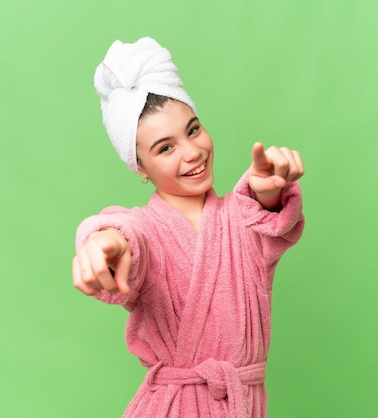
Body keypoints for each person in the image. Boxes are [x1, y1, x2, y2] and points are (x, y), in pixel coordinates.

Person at [72, 37, 305, 418]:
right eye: (165, 148)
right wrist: (104, 242)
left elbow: (263, 216)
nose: (192, 152)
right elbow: (125, 233)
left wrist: (269, 191)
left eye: (193, 130)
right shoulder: (144, 230)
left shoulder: (242, 219)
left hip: (243, 405)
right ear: (140, 168)